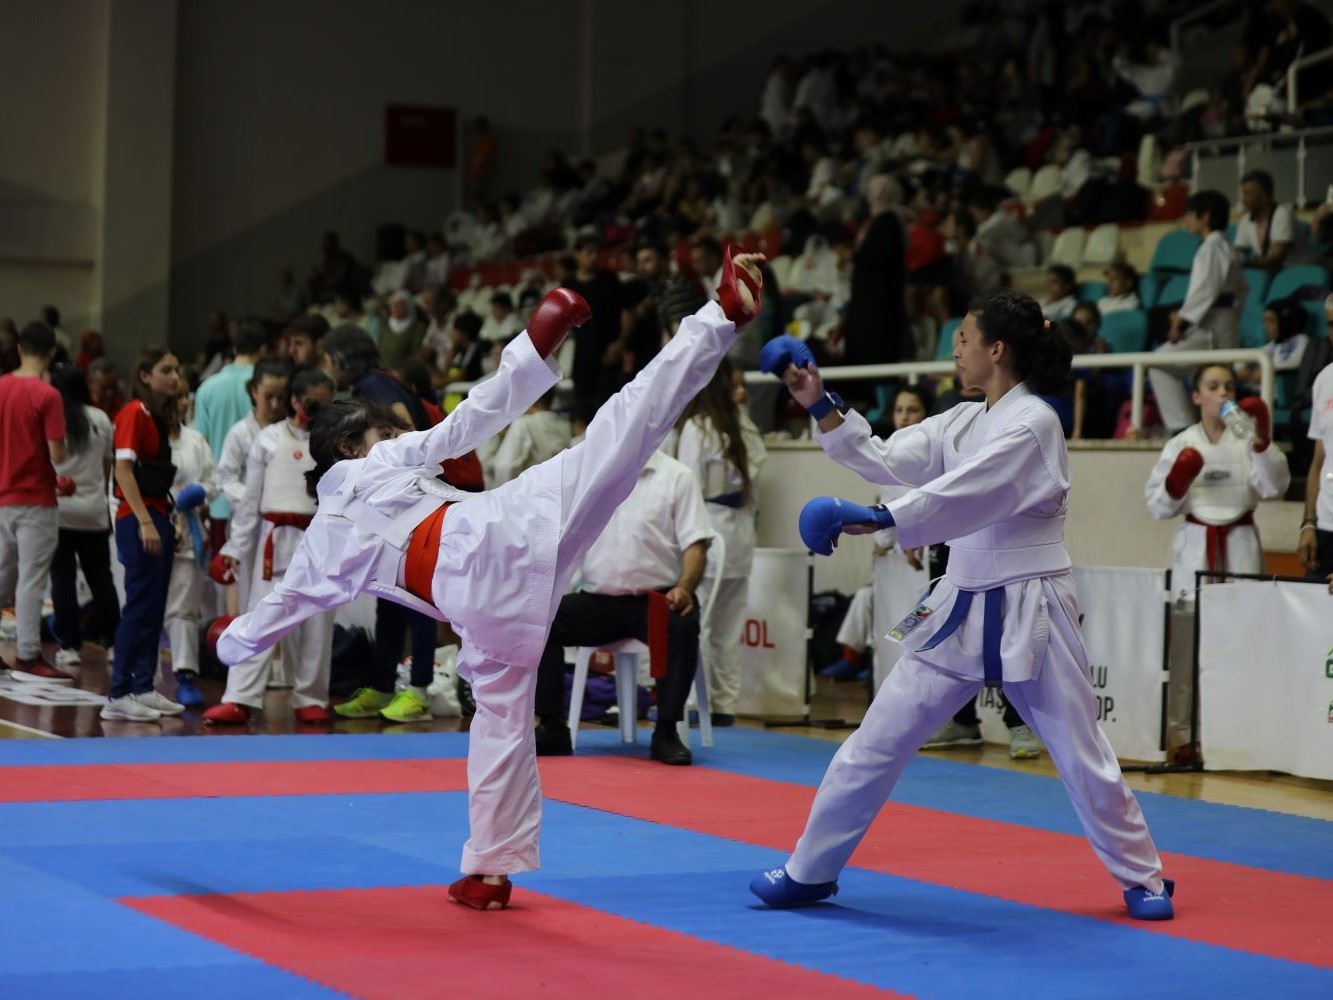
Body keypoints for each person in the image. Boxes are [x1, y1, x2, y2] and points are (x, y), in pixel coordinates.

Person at [212, 249, 766, 911]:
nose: (391, 430)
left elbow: (268, 618)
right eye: (378, 428)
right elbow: (472, 418)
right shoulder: (382, 457)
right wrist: (538, 340)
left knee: (501, 725)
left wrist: (227, 641)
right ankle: (720, 314)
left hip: (478, 608)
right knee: (627, 426)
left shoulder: (318, 548)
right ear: (350, 446)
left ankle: (489, 870)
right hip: (497, 533)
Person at [749, 291, 1176, 921]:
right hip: (960, 603)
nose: (954, 349)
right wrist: (818, 399)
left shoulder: (1035, 423)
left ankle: (1145, 879)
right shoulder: (962, 420)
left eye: (963, 338)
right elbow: (890, 459)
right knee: (876, 739)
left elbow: (967, 493)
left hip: (1034, 603)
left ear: (995, 350)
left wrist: (879, 518)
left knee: (1079, 750)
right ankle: (811, 870)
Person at [1145, 364, 1289, 763]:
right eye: (1213, 386)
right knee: (1188, 651)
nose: (1223, 392)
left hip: (1240, 544)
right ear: (1196, 397)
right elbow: (1156, 506)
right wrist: (1177, 481)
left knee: (1241, 642)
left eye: (1228, 386)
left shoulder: (1246, 436)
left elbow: (1275, 487)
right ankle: (1185, 737)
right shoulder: (1181, 443)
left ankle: (1237, 735)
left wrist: (1262, 443)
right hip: (1195, 547)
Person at [533, 447, 713, 764]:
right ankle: (552, 726)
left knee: (682, 622)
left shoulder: (677, 477)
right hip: (597, 601)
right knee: (539, 619)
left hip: (655, 600)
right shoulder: (590, 476)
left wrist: (684, 588)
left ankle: (666, 731)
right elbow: (560, 538)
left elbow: (696, 544)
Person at [203, 367, 335, 723]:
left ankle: (311, 696)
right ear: (295, 401)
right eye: (312, 404)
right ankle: (240, 697)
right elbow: (249, 502)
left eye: (326, 405)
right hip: (272, 539)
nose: (318, 411)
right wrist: (234, 547)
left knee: (317, 621)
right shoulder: (269, 439)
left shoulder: (334, 444)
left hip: (318, 539)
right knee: (260, 616)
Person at [670, 356, 766, 726]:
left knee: (704, 620)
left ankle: (699, 703)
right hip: (739, 531)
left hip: (709, 528)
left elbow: (687, 484)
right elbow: (754, 487)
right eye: (736, 384)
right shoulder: (740, 427)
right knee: (726, 624)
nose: (741, 391)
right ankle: (723, 703)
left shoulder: (700, 427)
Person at [103, 349, 186, 721]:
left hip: (158, 513)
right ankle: (118, 693)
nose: (174, 376)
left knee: (154, 606)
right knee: (139, 604)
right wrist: (146, 521)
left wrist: (167, 519)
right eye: (166, 370)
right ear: (145, 375)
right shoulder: (134, 412)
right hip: (137, 517)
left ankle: (143, 685)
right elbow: (123, 471)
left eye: (177, 370)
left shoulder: (157, 416)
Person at [0, 322, 72, 682]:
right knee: (30, 580)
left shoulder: (0, 387)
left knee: (2, 576)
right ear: (52, 353)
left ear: (19, 349)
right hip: (35, 499)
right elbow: (57, 452)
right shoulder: (48, 395)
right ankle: (28, 654)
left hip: (2, 497)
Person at [1148, 191, 1245, 434]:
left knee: (1158, 365)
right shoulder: (1227, 247)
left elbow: (1204, 292)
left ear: (1205, 216)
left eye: (1190, 214)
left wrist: (1180, 323)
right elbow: (1243, 291)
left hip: (1211, 327)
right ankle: (1237, 433)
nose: (1186, 220)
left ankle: (1182, 428)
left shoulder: (1211, 248)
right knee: (1219, 383)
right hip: (1224, 324)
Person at [49, 364, 119, 666]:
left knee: (62, 579)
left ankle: (69, 646)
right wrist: (100, 497)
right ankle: (114, 642)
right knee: (101, 578)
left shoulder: (52, 418)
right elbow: (107, 468)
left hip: (58, 510)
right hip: (93, 511)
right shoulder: (101, 419)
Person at [215, 359, 292, 613]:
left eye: (281, 398)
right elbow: (225, 477)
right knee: (248, 596)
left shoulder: (291, 433)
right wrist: (254, 500)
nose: (274, 404)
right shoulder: (240, 433)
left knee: (281, 597)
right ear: (253, 391)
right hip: (247, 526)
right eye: (268, 396)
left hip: (284, 527)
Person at [165, 383, 220, 708]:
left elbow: (215, 482)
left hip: (187, 530)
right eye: (176, 396)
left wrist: (198, 492)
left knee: (184, 608)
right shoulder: (143, 436)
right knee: (145, 607)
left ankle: (185, 675)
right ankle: (137, 676)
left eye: (185, 396)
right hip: (150, 529)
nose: (181, 402)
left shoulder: (195, 441)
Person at [195, 322, 267, 554]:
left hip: (220, 499)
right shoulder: (267, 388)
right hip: (261, 499)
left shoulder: (207, 387)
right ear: (263, 350)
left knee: (223, 580)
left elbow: (201, 446)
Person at [844, 174, 908, 367]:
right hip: (867, 294)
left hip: (879, 297)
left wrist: (854, 256)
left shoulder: (889, 221)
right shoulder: (876, 221)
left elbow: (879, 255)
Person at [1298, 336, 1333, 588]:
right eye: (1331, 324)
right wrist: (1308, 523)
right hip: (1325, 529)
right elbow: (1318, 462)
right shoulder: (1325, 379)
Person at [489, 388, 571, 487]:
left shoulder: (523, 423)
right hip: (560, 493)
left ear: (532, 399)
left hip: (531, 494)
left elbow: (506, 467)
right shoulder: (566, 426)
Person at [1233, 169, 1301, 271]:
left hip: (1296, 269)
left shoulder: (1282, 214)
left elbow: (1277, 258)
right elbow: (1239, 252)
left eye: (1248, 194)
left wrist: (1242, 263)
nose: (1243, 199)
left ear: (1264, 196)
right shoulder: (1246, 219)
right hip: (1270, 272)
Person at [379, 290, 426, 370]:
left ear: (409, 307)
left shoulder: (417, 328)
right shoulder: (386, 327)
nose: (396, 308)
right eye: (393, 304)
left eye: (401, 305)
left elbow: (416, 354)